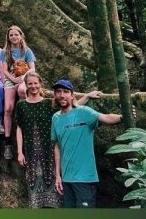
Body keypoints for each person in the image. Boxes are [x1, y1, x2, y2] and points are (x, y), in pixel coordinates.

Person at [14, 72, 101, 208]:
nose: (33, 86)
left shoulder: (50, 103)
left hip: (50, 151)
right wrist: (20, 152)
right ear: (26, 85)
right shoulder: (21, 105)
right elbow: (19, 128)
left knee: (57, 189)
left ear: (40, 84)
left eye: (35, 83)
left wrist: (87, 96)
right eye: (30, 83)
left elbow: (71, 106)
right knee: (34, 185)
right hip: (31, 153)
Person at [50, 78, 128, 208]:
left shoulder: (84, 112)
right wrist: (58, 175)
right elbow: (57, 146)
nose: (62, 95)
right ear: (55, 95)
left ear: (72, 95)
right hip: (66, 179)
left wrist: (123, 116)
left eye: (65, 91)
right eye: (58, 91)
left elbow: (106, 117)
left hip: (84, 178)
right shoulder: (56, 118)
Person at [1, 25, 36, 159]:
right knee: (8, 108)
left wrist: (23, 77)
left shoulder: (27, 50)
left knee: (22, 91)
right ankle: (8, 143)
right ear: (8, 38)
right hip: (11, 79)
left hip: (24, 78)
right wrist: (13, 79)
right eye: (11, 35)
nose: (14, 37)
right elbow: (4, 70)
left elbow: (32, 68)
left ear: (21, 36)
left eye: (16, 34)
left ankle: (25, 125)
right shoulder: (5, 52)